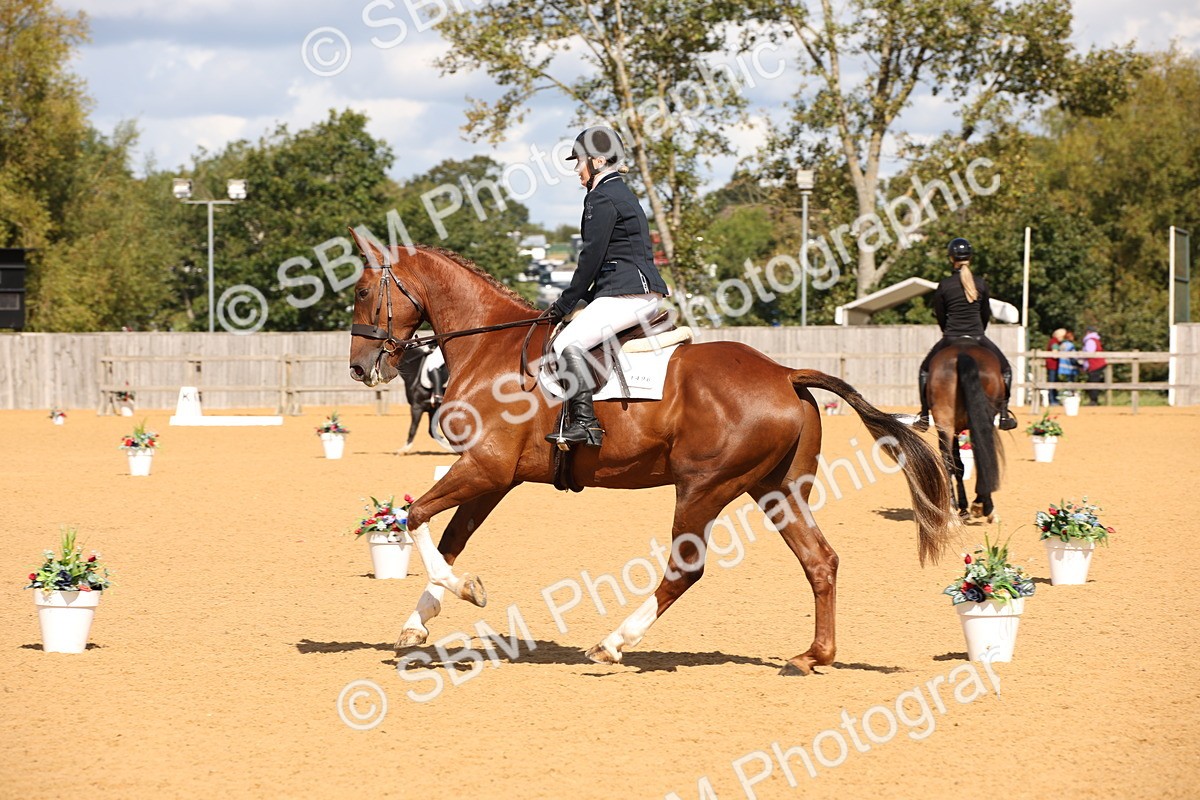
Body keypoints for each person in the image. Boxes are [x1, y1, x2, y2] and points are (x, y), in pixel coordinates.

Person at [544, 126, 669, 447]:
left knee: (565, 343)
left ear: (598, 161)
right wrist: (579, 299)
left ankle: (586, 424)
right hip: (633, 291)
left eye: (579, 162)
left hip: (627, 294)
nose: (576, 171)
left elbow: (590, 259)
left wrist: (563, 305)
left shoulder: (601, 197)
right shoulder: (619, 192)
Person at [914, 237, 1017, 431]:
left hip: (951, 336)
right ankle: (1004, 414)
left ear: (950, 258)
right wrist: (979, 331)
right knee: (1006, 370)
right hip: (978, 336)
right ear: (970, 257)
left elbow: (940, 314)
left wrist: (947, 332)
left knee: (925, 371)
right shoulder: (980, 283)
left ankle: (924, 415)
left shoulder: (944, 285)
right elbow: (985, 313)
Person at [1082, 326, 1107, 405]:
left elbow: (1089, 353)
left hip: (1095, 364)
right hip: (1097, 363)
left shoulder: (1090, 341)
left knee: (1093, 381)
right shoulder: (1095, 340)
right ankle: (1094, 399)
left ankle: (1093, 400)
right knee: (1094, 381)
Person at [1056, 328, 1080, 394]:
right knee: (1071, 382)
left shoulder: (1062, 344)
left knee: (1063, 383)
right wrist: (1079, 364)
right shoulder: (1070, 345)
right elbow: (1073, 356)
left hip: (1062, 367)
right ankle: (1070, 394)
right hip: (1070, 367)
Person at [1046, 328, 1065, 405]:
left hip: (1053, 365)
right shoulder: (1054, 343)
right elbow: (1055, 354)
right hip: (1053, 365)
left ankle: (1053, 399)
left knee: (1053, 382)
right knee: (1052, 382)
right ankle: (1052, 400)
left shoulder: (1053, 341)